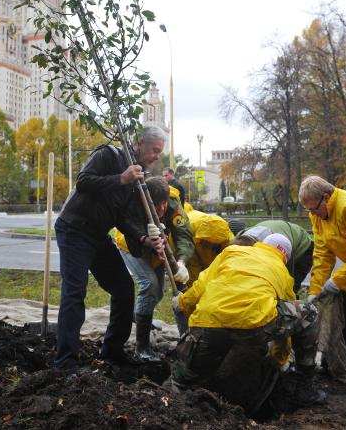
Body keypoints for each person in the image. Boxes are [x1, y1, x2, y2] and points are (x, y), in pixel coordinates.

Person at [169, 233, 326, 408]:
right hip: (255, 326)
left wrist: (182, 303)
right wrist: (278, 360)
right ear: (285, 257)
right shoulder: (282, 272)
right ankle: (304, 386)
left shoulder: (231, 252)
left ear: (260, 245)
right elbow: (285, 327)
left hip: (209, 323)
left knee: (185, 378)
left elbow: (200, 286)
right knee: (309, 313)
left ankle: (172, 398)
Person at [54, 126, 166, 370]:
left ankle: (112, 352)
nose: (157, 156)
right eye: (155, 150)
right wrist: (121, 178)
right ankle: (66, 363)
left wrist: (144, 240)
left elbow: (123, 218)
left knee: (124, 288)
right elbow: (83, 182)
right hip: (74, 229)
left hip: (97, 235)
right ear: (139, 143)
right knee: (75, 293)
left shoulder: (139, 179)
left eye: (160, 152)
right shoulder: (108, 155)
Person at [114, 176, 194, 361]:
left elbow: (184, 236)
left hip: (157, 246)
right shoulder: (135, 202)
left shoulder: (174, 203)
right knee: (150, 285)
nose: (161, 210)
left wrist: (181, 262)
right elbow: (134, 243)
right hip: (130, 244)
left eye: (164, 204)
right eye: (156, 205)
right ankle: (142, 348)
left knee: (158, 293)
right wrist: (146, 238)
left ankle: (183, 338)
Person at [299, 175, 346, 368]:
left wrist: (337, 281)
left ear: (326, 197)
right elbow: (322, 253)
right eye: (308, 210)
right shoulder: (317, 214)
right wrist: (314, 291)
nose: (313, 214)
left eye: (314, 208)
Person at [234, 220, 313, 293]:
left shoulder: (275, 243)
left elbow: (285, 275)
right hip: (277, 229)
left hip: (303, 246)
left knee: (288, 286)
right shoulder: (238, 239)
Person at [186, 209, 234, 285]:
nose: (204, 243)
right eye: (203, 240)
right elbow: (193, 266)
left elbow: (229, 267)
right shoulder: (192, 235)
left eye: (207, 242)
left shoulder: (229, 243)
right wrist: (193, 290)